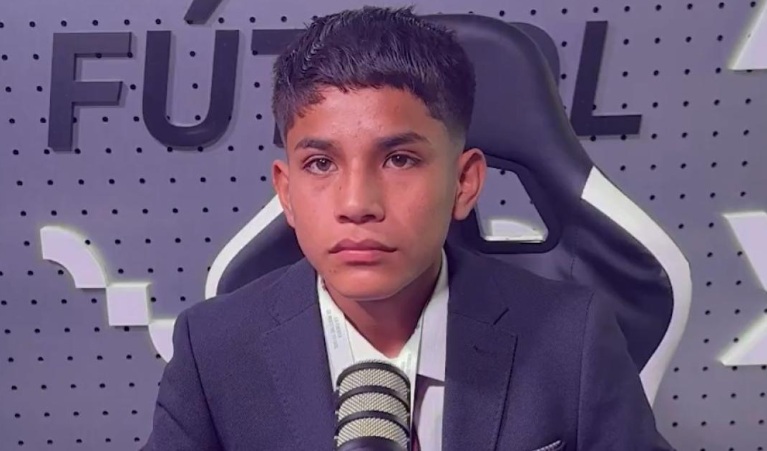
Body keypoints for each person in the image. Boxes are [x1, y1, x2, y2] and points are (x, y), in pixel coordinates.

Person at [143, 6, 674, 451]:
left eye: (399, 159)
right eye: (321, 164)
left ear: (464, 182)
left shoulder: (572, 337)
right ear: (286, 192)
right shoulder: (212, 349)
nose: (357, 204)